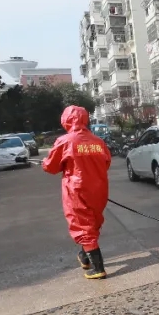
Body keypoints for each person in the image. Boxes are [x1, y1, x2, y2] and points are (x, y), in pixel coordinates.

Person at [42, 106, 112, 280]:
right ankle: (85, 258)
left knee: (82, 225)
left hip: (77, 190)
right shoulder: (98, 141)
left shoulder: (65, 141)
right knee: (92, 223)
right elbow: (106, 162)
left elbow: (51, 167)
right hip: (99, 189)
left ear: (66, 120)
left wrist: (44, 161)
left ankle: (98, 268)